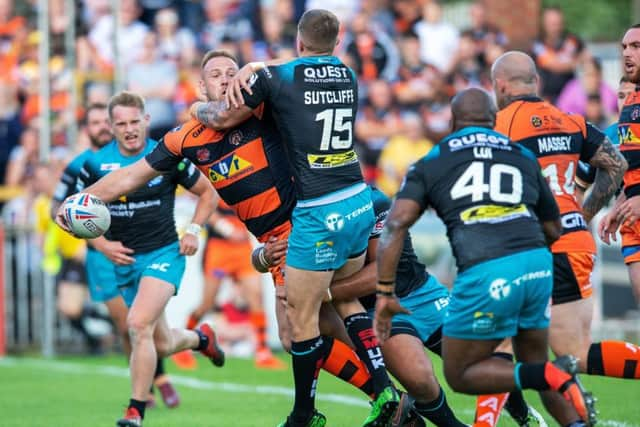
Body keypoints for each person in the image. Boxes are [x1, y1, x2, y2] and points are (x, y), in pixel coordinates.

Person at [193, 10, 400, 426]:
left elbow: (221, 117)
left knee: (297, 320)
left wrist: (201, 105)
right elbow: (302, 76)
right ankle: (381, 384)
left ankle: (305, 413)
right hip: (358, 200)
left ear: (299, 43)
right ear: (337, 44)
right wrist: (256, 67)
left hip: (316, 211)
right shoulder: (347, 76)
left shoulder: (277, 79)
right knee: (340, 296)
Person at [374, 87, 597, 427]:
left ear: (452, 123)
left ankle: (555, 376)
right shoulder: (521, 155)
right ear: (494, 122)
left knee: (460, 373)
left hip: (487, 267)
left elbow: (395, 226)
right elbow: (553, 227)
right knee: (533, 365)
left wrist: (386, 292)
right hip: (537, 266)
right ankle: (563, 395)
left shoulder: (434, 160)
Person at [55, 91, 223, 427]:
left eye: (135, 121)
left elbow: (208, 193)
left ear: (146, 120)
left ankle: (135, 410)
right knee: (160, 343)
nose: (130, 129)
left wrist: (192, 230)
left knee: (136, 325)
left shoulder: (166, 154)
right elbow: (74, 211)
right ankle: (201, 338)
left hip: (164, 254)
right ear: (111, 127)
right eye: (121, 124)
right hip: (124, 262)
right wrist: (100, 244)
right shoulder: (95, 164)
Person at [492, 52, 640, 398]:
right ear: (536, 83)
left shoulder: (501, 125)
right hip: (573, 242)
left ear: (500, 86)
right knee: (572, 352)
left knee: (500, 343)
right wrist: (581, 217)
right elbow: (616, 165)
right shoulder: (570, 120)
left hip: (537, 246)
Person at [262, 186, 467, 427]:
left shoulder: (373, 201)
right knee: (420, 380)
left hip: (417, 293)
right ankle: (391, 400)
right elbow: (269, 253)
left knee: (480, 357)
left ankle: (522, 416)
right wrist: (263, 257)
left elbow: (381, 270)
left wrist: (320, 293)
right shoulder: (298, 207)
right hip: (367, 311)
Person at [51, 102, 181, 408]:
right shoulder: (83, 164)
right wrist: (93, 239)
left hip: (148, 250)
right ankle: (150, 384)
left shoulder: (146, 157)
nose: (99, 127)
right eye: (94, 122)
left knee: (141, 323)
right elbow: (59, 207)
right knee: (128, 324)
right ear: (91, 128)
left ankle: (153, 382)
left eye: (102, 121)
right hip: (102, 254)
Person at [184, 201, 287, 370]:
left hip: (242, 247)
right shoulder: (212, 177)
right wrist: (228, 229)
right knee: (207, 304)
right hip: (219, 248)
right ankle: (184, 345)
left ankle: (262, 352)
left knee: (256, 297)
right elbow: (205, 202)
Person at [600, 25, 640, 307]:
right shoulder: (631, 103)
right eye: (624, 47)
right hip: (633, 219)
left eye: (636, 46)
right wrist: (621, 204)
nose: (628, 53)